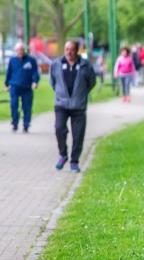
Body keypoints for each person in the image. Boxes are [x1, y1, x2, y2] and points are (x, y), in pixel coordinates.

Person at [50, 40, 96, 173]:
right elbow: (53, 82)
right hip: (61, 104)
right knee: (59, 128)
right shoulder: (57, 64)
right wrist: (61, 93)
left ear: (77, 51)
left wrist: (81, 94)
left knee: (78, 134)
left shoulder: (85, 65)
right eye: (66, 49)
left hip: (78, 105)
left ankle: (74, 161)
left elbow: (91, 82)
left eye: (72, 49)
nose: (69, 52)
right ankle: (63, 154)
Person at [4, 42, 40, 133]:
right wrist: (6, 84)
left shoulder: (31, 60)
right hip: (14, 87)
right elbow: (9, 73)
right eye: (18, 50)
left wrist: (35, 82)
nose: (20, 51)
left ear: (24, 50)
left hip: (27, 87)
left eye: (21, 49)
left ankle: (26, 125)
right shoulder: (12, 60)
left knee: (27, 107)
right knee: (14, 105)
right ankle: (15, 123)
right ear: (16, 51)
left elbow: (35, 72)